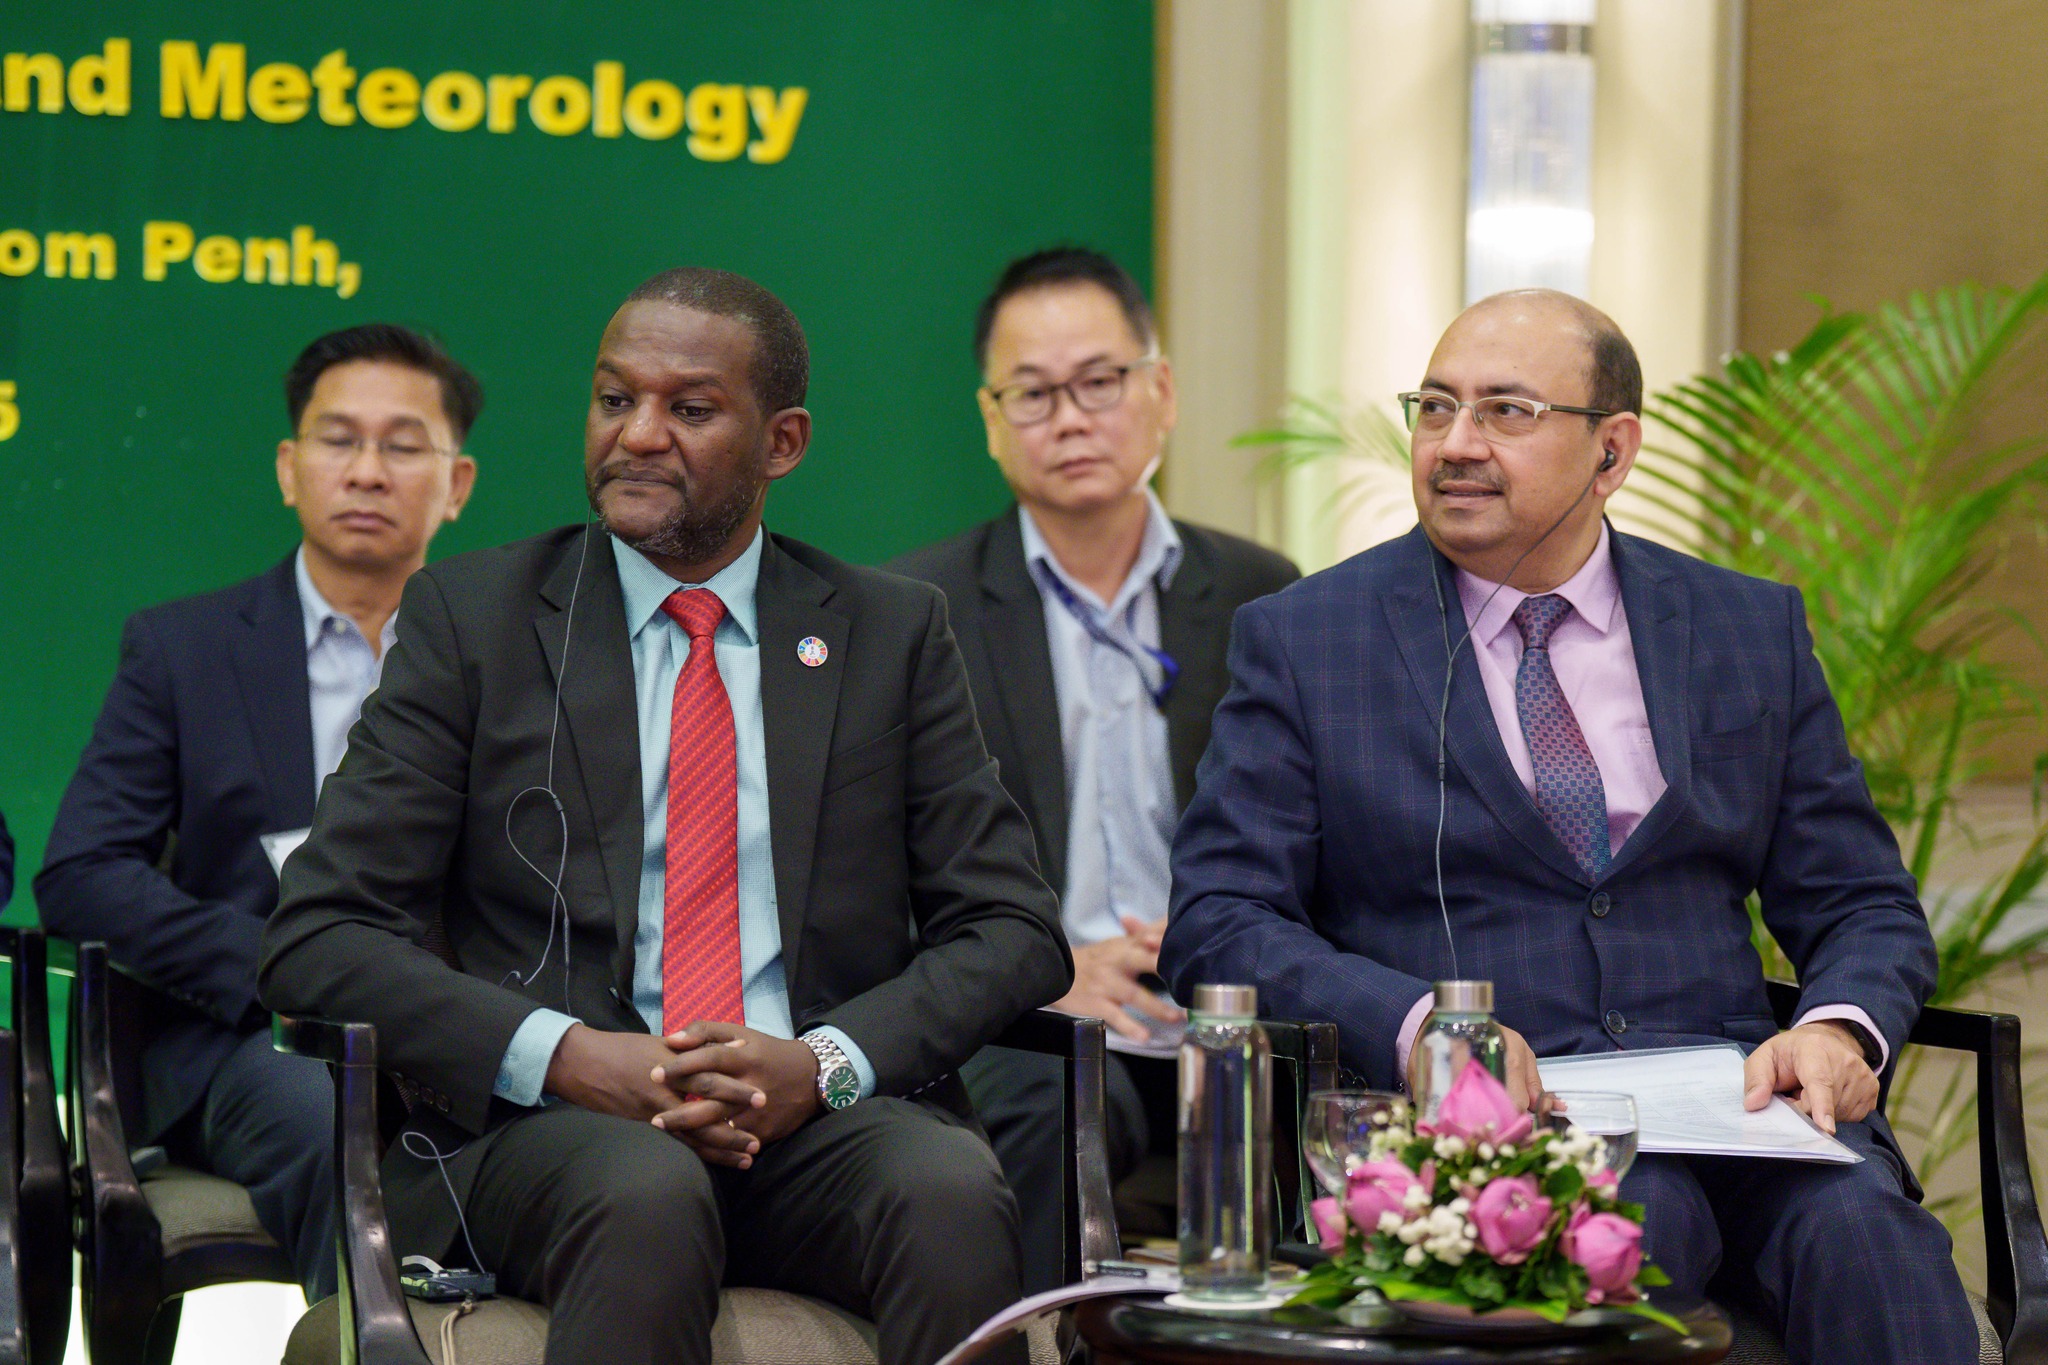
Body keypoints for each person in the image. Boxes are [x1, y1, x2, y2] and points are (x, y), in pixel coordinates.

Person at [258, 268, 1070, 1365]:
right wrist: (568, 1055)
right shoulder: (475, 620)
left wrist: (822, 1064)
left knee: (945, 1187)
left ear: (781, 442)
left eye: (688, 409)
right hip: (550, 1139)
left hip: (813, 1127)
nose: (637, 435)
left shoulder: (889, 634)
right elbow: (316, 936)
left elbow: (1013, 929)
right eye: (613, 400)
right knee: (644, 1185)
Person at [1161, 289, 1977, 1364]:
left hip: (1743, 1111)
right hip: (1504, 1138)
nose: (1455, 443)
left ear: (1611, 450)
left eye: (1505, 411)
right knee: (1629, 1225)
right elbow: (1218, 918)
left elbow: (1861, 900)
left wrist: (1836, 1030)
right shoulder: (1309, 639)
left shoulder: (1742, 628)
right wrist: (1419, 1027)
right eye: (1435, 408)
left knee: (1876, 1247)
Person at [36, 324, 481, 1301]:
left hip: (457, 1028)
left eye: (403, 445)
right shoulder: (183, 650)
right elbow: (82, 873)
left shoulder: (506, 662)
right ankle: (373, 1345)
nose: (367, 471)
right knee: (335, 1120)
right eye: (339, 439)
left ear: (456, 484)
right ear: (289, 468)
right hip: (252, 1041)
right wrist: (280, 967)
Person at [889, 247, 1297, 1292]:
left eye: (1099, 382)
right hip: (1034, 1021)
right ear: (990, 421)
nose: (1069, 419)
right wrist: (1045, 968)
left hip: (1229, 1007)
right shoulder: (918, 613)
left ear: (1161, 392)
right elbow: (879, 876)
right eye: (1031, 394)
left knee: (1336, 1110)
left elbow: (1308, 838)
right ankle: (1036, 1350)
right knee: (1048, 1111)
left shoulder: (1262, 596)